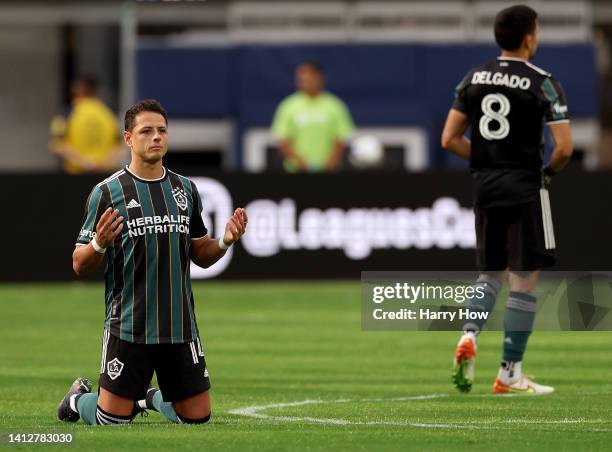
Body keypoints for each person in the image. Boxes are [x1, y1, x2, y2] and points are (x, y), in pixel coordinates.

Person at [57, 99, 248, 425]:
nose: (156, 137)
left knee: (197, 420)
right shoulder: (107, 192)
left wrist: (226, 241)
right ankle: (77, 401)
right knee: (111, 422)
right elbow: (79, 262)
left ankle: (149, 396)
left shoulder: (185, 190)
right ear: (129, 138)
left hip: (179, 326)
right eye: (146, 131)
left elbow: (200, 254)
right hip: (130, 326)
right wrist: (99, 244)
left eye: (162, 130)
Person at [441, 4, 573, 394]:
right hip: (525, 185)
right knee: (524, 280)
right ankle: (510, 372)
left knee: (490, 274)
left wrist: (486, 160)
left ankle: (469, 335)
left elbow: (448, 138)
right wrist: (544, 172)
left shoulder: (473, 77)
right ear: (529, 37)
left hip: (486, 185)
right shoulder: (542, 81)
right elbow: (564, 148)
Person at [271, 60, 355, 172]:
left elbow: (341, 139)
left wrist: (329, 164)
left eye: (308, 76)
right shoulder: (288, 106)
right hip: (297, 171)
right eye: (301, 77)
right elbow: (283, 140)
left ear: (320, 77)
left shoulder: (335, 106)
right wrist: (302, 164)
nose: (304, 80)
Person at [49, 76, 124, 174]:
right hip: (105, 175)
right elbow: (121, 146)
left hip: (77, 174)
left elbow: (58, 145)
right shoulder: (109, 114)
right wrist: (103, 163)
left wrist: (85, 163)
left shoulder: (66, 113)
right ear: (96, 91)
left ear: (75, 91)